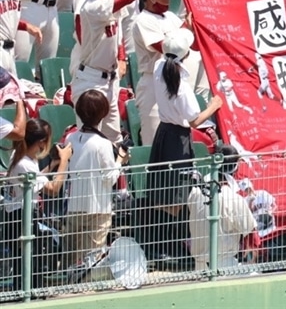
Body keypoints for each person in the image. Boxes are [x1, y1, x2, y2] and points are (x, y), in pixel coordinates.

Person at [71, 0, 177, 141]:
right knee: (89, 139)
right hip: (91, 81)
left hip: (109, 81)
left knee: (114, 140)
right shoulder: (92, 7)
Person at [146, 29, 223, 259]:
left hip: (163, 133)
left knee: (163, 192)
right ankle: (171, 246)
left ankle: (160, 245)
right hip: (178, 138)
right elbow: (194, 120)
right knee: (177, 195)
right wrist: (213, 106)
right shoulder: (181, 84)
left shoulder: (159, 66)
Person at [64, 90, 130, 268]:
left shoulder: (70, 138)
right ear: (103, 113)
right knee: (92, 260)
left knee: (71, 260)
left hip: (74, 206)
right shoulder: (103, 144)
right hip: (98, 209)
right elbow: (110, 178)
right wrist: (120, 161)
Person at [4, 119, 71, 290]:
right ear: (41, 142)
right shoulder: (25, 163)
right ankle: (28, 294)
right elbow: (53, 189)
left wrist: (53, 165)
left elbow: (34, 178)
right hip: (22, 215)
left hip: (18, 214)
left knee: (26, 259)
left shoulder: (20, 155)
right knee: (27, 261)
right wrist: (64, 161)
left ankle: (26, 292)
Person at [131, 0, 183, 146]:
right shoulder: (143, 20)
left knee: (178, 142)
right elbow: (167, 49)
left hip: (175, 81)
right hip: (153, 82)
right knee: (153, 142)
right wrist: (186, 30)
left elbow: (193, 45)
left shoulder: (171, 17)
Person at [187, 144, 256, 270]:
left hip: (199, 265)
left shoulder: (195, 192)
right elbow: (253, 237)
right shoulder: (233, 198)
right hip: (225, 265)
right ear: (235, 168)